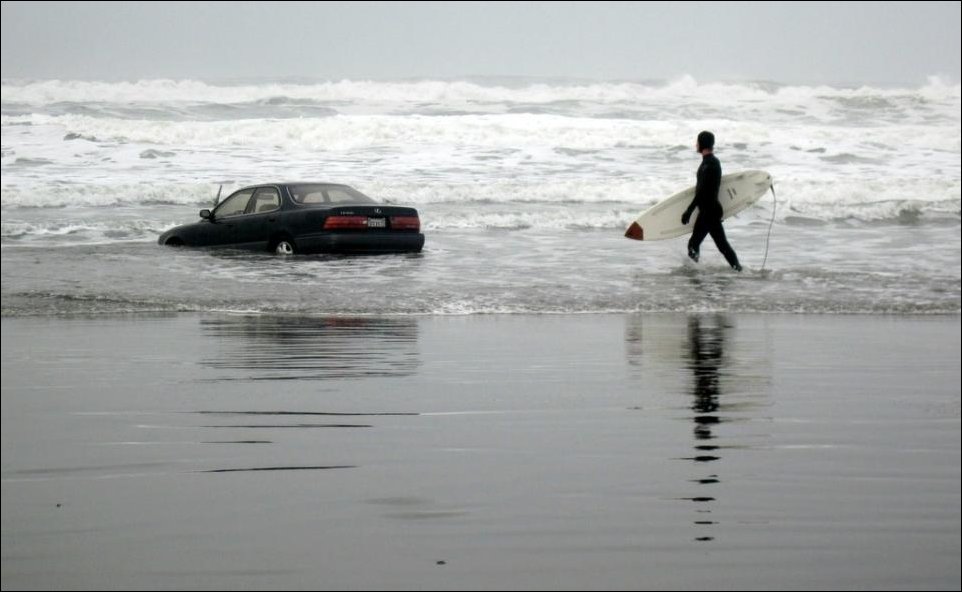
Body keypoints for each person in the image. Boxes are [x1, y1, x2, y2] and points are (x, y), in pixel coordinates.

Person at [681, 131, 742, 272]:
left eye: (697, 142)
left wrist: (689, 211)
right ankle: (738, 270)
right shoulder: (709, 163)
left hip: (709, 211)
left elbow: (701, 191)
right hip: (710, 210)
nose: (695, 144)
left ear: (701, 144)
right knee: (720, 245)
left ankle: (694, 273)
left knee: (695, 244)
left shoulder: (710, 164)